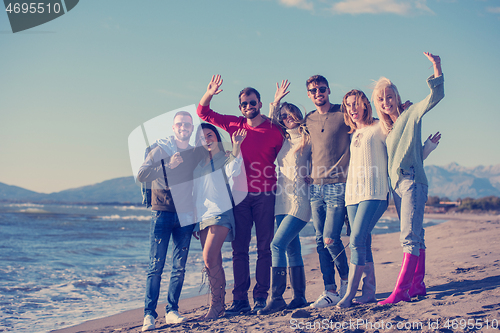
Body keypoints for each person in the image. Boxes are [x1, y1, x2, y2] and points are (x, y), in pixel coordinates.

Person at [197, 75, 284, 314]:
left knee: (264, 248)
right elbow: (203, 113)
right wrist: (210, 93)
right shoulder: (235, 124)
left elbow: (288, 155)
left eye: (252, 102)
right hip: (239, 197)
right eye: (244, 104)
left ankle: (260, 296)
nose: (248, 107)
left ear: (259, 103)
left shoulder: (275, 130)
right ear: (240, 107)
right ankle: (239, 299)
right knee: (240, 250)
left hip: (266, 193)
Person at [374, 52, 444, 305]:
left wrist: (436, 67)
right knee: (417, 235)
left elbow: (436, 96)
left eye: (389, 96)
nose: (385, 101)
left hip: (412, 181)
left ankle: (401, 290)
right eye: (380, 99)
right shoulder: (389, 130)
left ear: (397, 98)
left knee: (409, 237)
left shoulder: (412, 114)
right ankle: (417, 284)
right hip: (399, 186)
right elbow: (410, 155)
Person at [137, 111, 202, 331]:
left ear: (191, 128)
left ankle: (172, 311)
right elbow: (142, 174)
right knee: (156, 266)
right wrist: (167, 165)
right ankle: (149, 315)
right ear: (173, 128)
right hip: (163, 212)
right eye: (179, 124)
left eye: (187, 124)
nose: (183, 127)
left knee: (179, 267)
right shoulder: (161, 149)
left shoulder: (193, 153)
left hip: (185, 215)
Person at [258, 80, 312, 315]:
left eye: (291, 114)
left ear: (298, 115)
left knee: (276, 244)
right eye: (284, 116)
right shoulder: (281, 139)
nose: (288, 118)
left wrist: (314, 172)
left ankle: (277, 297)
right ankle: (299, 296)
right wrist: (275, 102)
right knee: (292, 249)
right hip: (281, 200)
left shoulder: (308, 139)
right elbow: (268, 124)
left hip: (300, 200)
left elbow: (322, 158)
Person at [192, 123, 247, 320]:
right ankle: (218, 306)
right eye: (202, 137)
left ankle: (216, 306)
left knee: (208, 258)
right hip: (203, 216)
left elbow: (234, 171)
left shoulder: (225, 158)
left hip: (220, 213)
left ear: (216, 137)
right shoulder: (199, 165)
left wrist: (236, 146)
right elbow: (196, 192)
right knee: (213, 261)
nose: (206, 139)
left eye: (209, 135)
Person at [305, 75, 350, 308]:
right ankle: (329, 290)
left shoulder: (343, 112)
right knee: (320, 241)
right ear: (309, 95)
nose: (317, 93)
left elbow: (369, 120)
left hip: (337, 184)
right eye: (313, 90)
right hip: (315, 186)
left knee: (331, 238)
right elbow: (288, 131)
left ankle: (346, 280)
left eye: (321, 89)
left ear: (328, 90)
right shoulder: (309, 119)